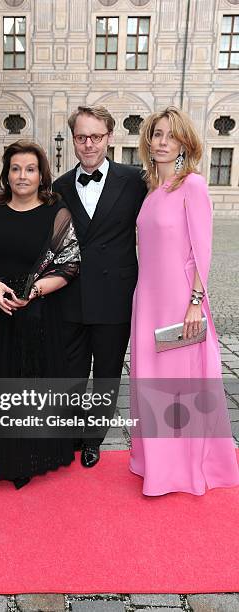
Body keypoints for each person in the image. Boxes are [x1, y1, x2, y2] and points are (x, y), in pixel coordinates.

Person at [129, 106, 239, 495]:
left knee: (180, 385)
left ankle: (181, 468)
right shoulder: (153, 189)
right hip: (148, 299)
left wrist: (195, 303)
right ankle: (155, 461)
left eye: (170, 136)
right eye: (156, 134)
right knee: (152, 381)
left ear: (184, 143)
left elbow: (202, 251)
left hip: (180, 300)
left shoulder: (193, 185)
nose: (161, 142)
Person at [0, 140, 80, 489]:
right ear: (6, 174)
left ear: (41, 174)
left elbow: (71, 263)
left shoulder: (56, 212)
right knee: (2, 382)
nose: (22, 176)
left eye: (30, 169)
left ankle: (38, 453)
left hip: (40, 311)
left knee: (37, 381)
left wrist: (35, 291)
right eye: (15, 168)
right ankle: (8, 457)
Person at [53, 105, 147, 468]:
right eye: (81, 137)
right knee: (72, 372)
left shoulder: (135, 180)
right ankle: (73, 435)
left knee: (107, 372)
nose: (89, 143)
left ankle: (94, 439)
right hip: (70, 297)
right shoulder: (59, 187)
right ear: (74, 140)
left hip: (115, 296)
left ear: (109, 137)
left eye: (96, 136)